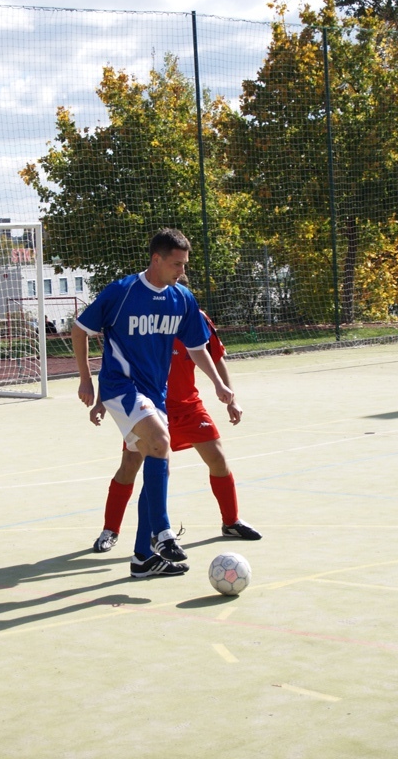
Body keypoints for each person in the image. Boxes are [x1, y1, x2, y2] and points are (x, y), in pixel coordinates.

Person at [71, 228, 234, 578]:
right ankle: (162, 532)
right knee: (161, 442)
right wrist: (85, 379)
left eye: (184, 264)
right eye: (176, 264)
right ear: (156, 260)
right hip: (120, 386)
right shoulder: (123, 291)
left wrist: (219, 384)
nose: (182, 271)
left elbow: (197, 348)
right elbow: (80, 329)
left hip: (154, 394)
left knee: (156, 460)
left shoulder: (182, 298)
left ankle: (143, 559)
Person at [91, 306, 262, 553]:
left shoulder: (197, 317)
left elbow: (216, 357)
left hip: (188, 406)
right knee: (130, 466)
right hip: (148, 408)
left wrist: (230, 398)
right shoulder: (139, 316)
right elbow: (114, 365)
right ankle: (111, 530)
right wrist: (100, 401)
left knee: (217, 458)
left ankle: (231, 522)